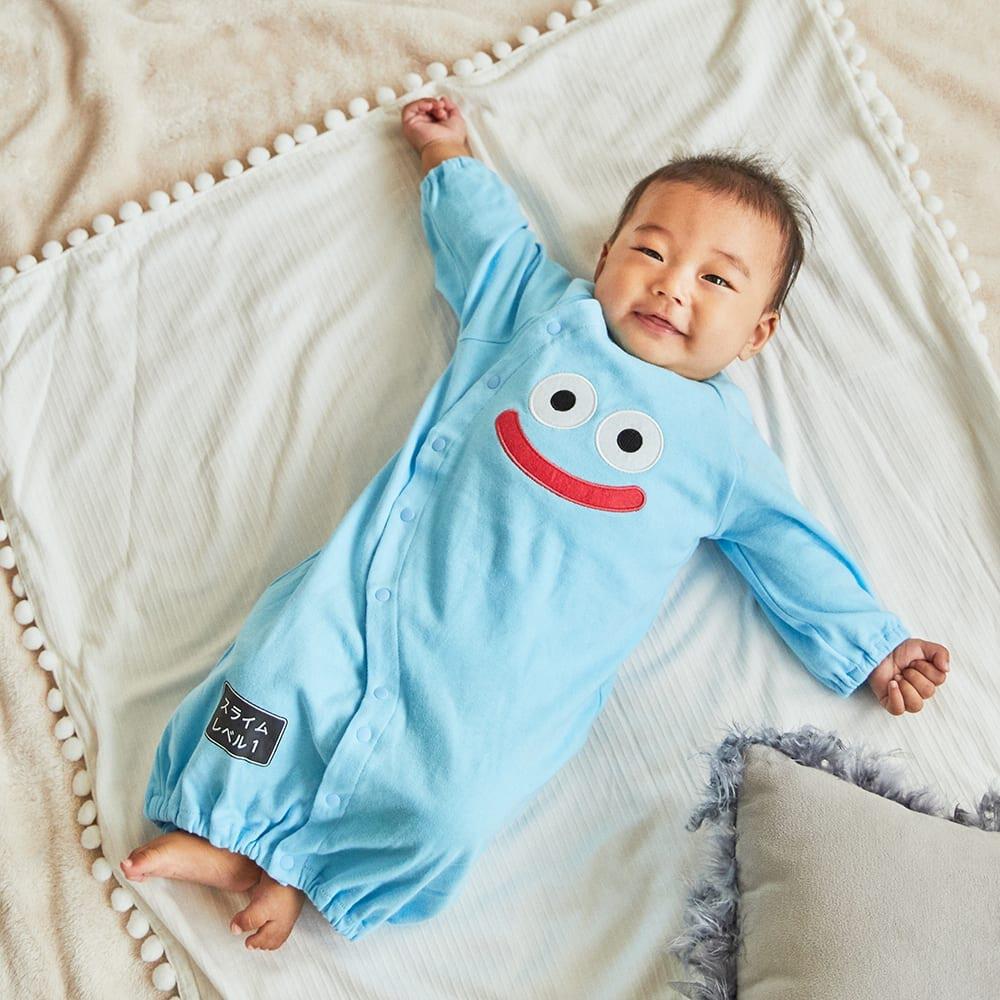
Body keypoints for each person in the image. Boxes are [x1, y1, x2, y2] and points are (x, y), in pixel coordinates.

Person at [120, 96, 951, 951]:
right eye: (651, 251)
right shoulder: (541, 312)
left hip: (504, 681)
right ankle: (230, 834)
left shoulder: (721, 445)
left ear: (757, 333)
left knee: (446, 802)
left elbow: (788, 544)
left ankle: (303, 871)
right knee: (276, 673)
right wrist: (445, 152)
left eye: (716, 280)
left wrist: (874, 643)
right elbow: (485, 238)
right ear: (605, 257)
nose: (671, 284)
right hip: (378, 585)